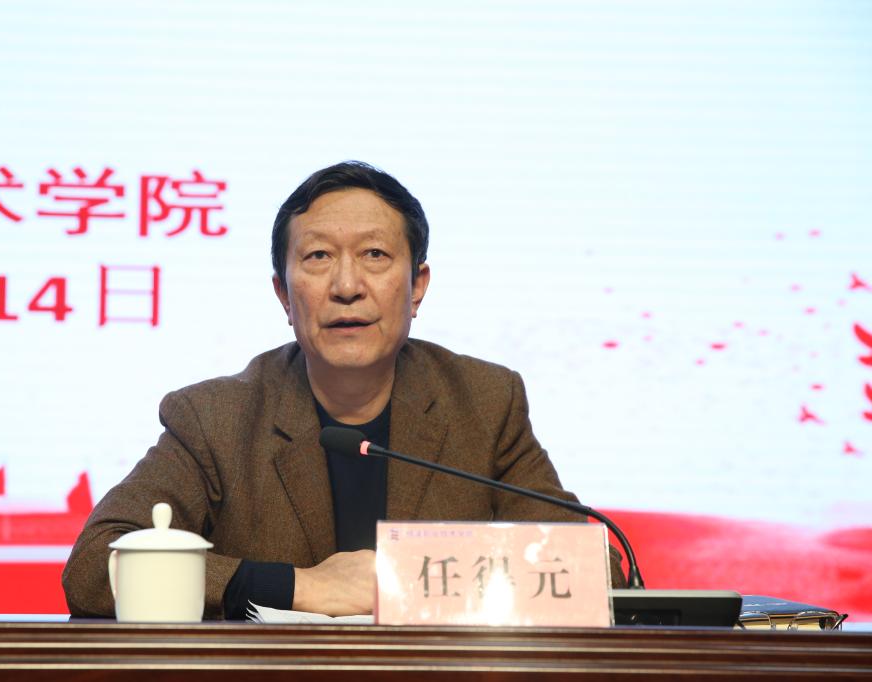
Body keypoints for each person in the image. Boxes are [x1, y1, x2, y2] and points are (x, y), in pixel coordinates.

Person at [62, 161, 624, 619]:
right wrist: (299, 586)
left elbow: (593, 574)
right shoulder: (216, 418)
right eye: (318, 257)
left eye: (375, 255)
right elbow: (94, 568)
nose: (347, 285)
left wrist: (410, 584)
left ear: (417, 286)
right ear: (284, 295)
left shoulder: (483, 402)